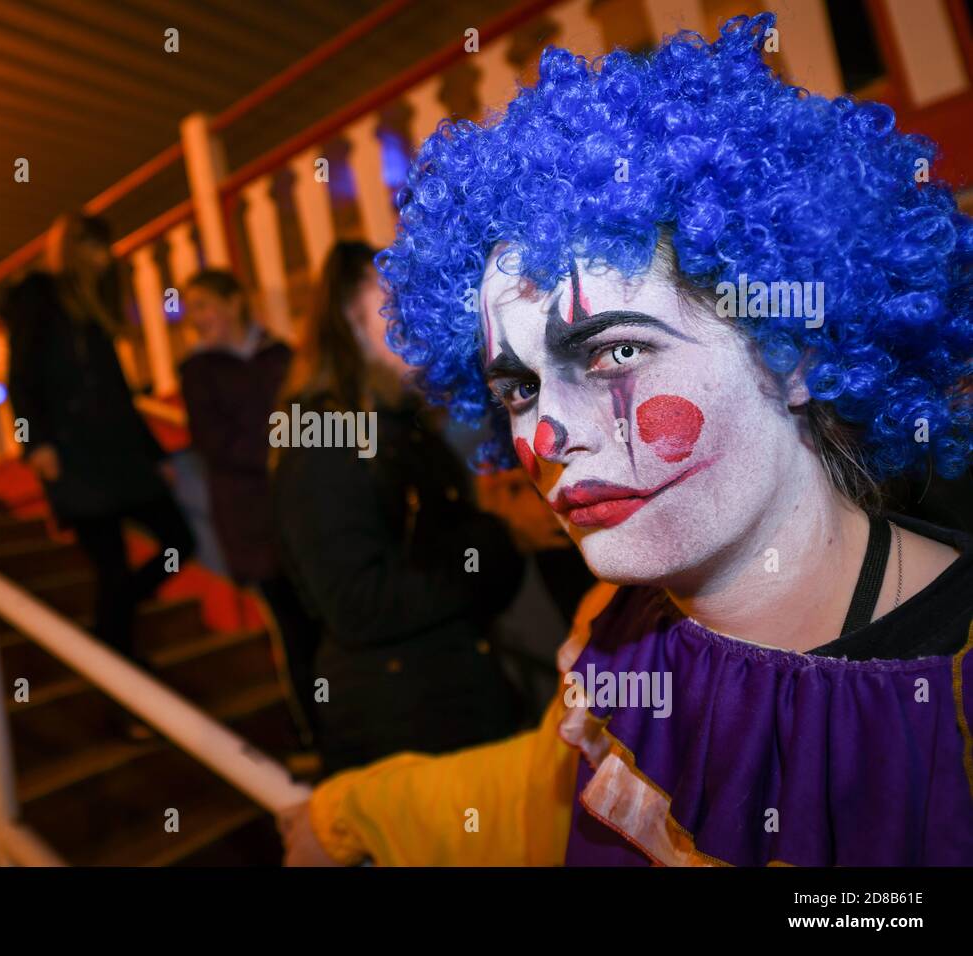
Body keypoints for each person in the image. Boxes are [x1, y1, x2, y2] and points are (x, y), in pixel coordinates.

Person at [279, 14, 973, 865]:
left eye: (613, 350)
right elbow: (532, 802)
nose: (549, 433)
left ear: (795, 354)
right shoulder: (620, 630)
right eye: (519, 387)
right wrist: (350, 811)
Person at [271, 240, 525, 776]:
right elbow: (357, 604)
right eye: (392, 297)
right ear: (348, 317)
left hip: (455, 707)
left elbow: (462, 546)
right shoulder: (323, 436)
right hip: (400, 733)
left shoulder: (401, 425)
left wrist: (494, 544)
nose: (418, 316)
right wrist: (498, 544)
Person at [4, 212, 193, 662]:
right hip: (73, 456)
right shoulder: (36, 296)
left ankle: (109, 627)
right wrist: (36, 443)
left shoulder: (93, 310)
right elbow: (20, 376)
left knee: (180, 541)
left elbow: (118, 393)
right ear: (73, 248)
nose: (103, 259)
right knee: (111, 567)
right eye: (94, 248)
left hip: (120, 455)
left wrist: (154, 454)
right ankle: (118, 668)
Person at [178, 269, 319, 745]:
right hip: (252, 522)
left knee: (326, 615)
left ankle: (350, 716)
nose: (194, 319)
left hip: (303, 508)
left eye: (202, 305)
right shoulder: (197, 372)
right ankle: (314, 732)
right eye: (191, 310)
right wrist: (281, 447)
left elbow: (311, 419)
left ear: (235, 301)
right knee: (293, 628)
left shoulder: (281, 355)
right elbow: (214, 443)